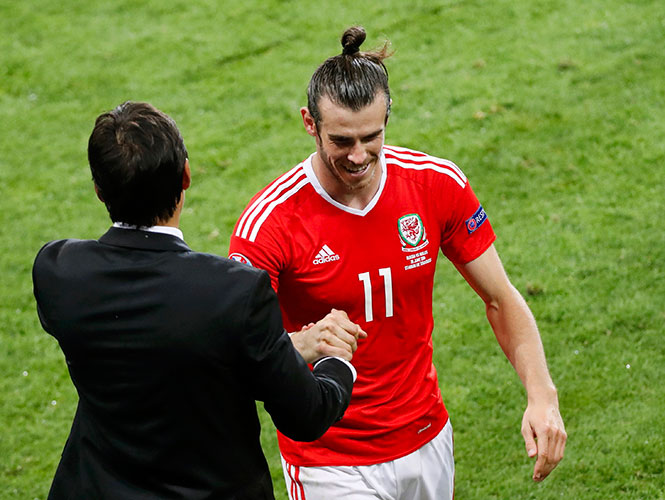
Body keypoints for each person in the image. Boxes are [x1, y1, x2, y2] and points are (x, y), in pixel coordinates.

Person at [229, 26, 567, 499]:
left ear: (387, 115)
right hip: (330, 460)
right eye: (341, 141)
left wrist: (542, 395)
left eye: (372, 137)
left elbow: (499, 298)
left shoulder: (436, 185)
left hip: (426, 438)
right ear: (309, 123)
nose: (358, 156)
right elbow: (236, 351)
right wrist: (303, 342)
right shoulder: (270, 222)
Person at [33, 101, 365, 500]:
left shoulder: (58, 271)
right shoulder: (235, 293)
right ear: (186, 176)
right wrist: (335, 359)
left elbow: (171, 349)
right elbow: (307, 415)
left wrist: (285, 347)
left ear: (99, 189)